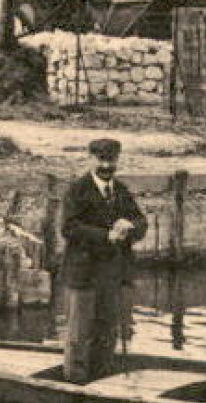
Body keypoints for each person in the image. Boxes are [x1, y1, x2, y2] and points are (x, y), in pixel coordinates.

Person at [58, 138, 148, 383]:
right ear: (91, 159)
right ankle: (74, 386)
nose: (107, 166)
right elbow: (69, 228)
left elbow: (142, 223)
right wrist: (105, 235)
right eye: (102, 160)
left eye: (112, 160)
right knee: (80, 334)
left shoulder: (120, 191)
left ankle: (101, 382)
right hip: (84, 275)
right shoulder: (77, 190)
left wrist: (130, 226)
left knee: (108, 332)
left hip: (112, 275)